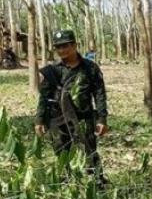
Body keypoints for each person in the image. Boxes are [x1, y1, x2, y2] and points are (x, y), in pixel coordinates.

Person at [34, 30, 108, 177]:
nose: (61, 50)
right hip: (58, 120)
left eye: (65, 46)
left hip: (83, 119)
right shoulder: (52, 71)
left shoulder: (90, 68)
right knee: (62, 154)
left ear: (75, 45)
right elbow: (44, 97)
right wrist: (40, 120)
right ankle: (66, 185)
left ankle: (96, 183)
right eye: (58, 47)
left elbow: (99, 94)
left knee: (89, 152)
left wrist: (102, 119)